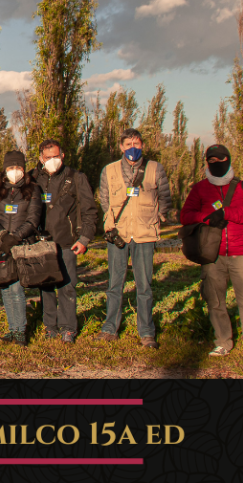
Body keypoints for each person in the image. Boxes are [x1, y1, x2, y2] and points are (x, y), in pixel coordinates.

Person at [180, 144, 243, 361]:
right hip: (212, 253)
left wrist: (226, 212)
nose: (216, 163)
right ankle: (222, 342)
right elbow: (186, 215)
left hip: (240, 252)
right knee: (215, 300)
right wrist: (207, 217)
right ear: (207, 162)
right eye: (212, 160)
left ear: (229, 160)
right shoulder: (200, 188)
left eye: (221, 159)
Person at [97, 128, 171, 349]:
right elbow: (104, 199)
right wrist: (111, 221)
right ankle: (110, 328)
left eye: (136, 144)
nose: (132, 148)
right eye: (128, 144)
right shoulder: (109, 170)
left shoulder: (155, 168)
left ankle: (146, 332)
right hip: (118, 234)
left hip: (144, 234)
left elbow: (165, 197)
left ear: (142, 145)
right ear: (121, 147)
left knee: (144, 286)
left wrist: (158, 217)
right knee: (114, 284)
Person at [29, 139, 98, 344]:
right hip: (41, 242)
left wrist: (84, 238)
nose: (52, 160)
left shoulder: (76, 178)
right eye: (48, 157)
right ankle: (50, 326)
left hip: (67, 241)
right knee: (46, 285)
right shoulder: (32, 178)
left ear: (63, 156)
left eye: (56, 156)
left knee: (67, 286)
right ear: (41, 158)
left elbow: (89, 210)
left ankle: (68, 328)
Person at [0, 151, 43, 346]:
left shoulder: (33, 190)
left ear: (24, 169)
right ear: (5, 169)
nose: (15, 171)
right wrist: (3, 236)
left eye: (18, 167)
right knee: (5, 288)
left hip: (21, 245)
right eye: (11, 168)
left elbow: (33, 219)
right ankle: (12, 328)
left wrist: (16, 237)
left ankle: (20, 330)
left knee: (17, 289)